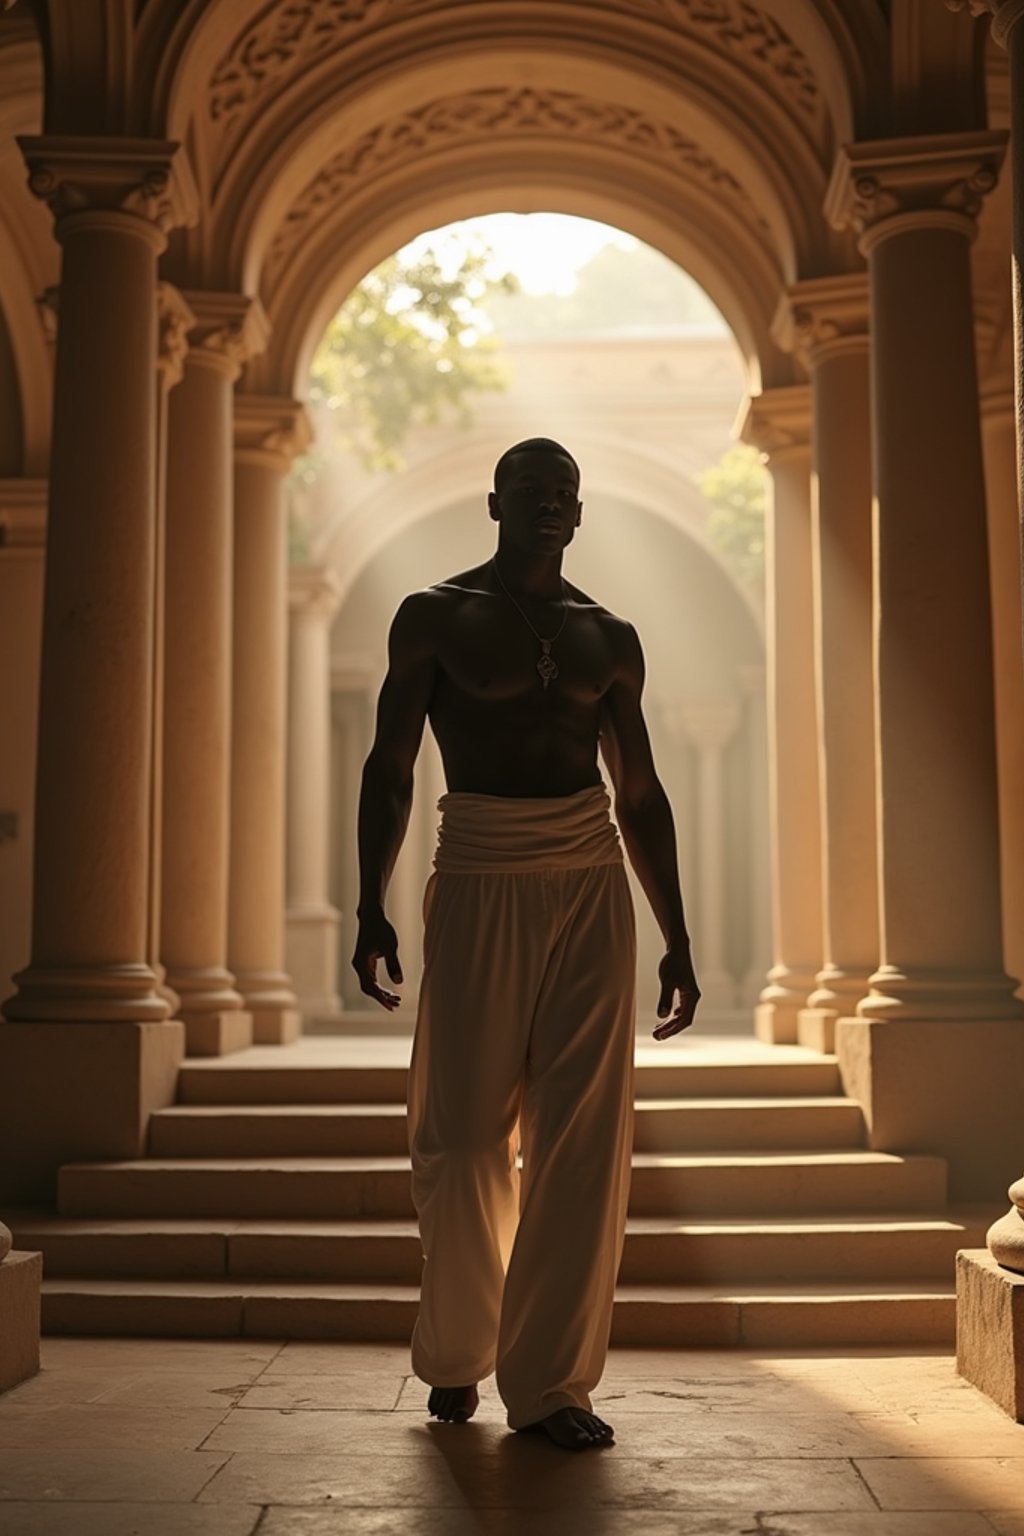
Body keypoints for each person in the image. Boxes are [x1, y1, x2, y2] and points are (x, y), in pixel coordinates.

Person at [353, 437, 700, 1452]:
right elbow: (388, 768)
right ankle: (458, 1352)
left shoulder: (609, 638)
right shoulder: (435, 617)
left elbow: (637, 791)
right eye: (531, 491)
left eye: (565, 495)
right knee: (460, 1138)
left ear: (579, 516)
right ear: (494, 503)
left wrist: (676, 933)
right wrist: (368, 903)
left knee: (580, 1143)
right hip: (478, 873)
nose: (549, 506)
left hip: (589, 878)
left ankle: (550, 1386)